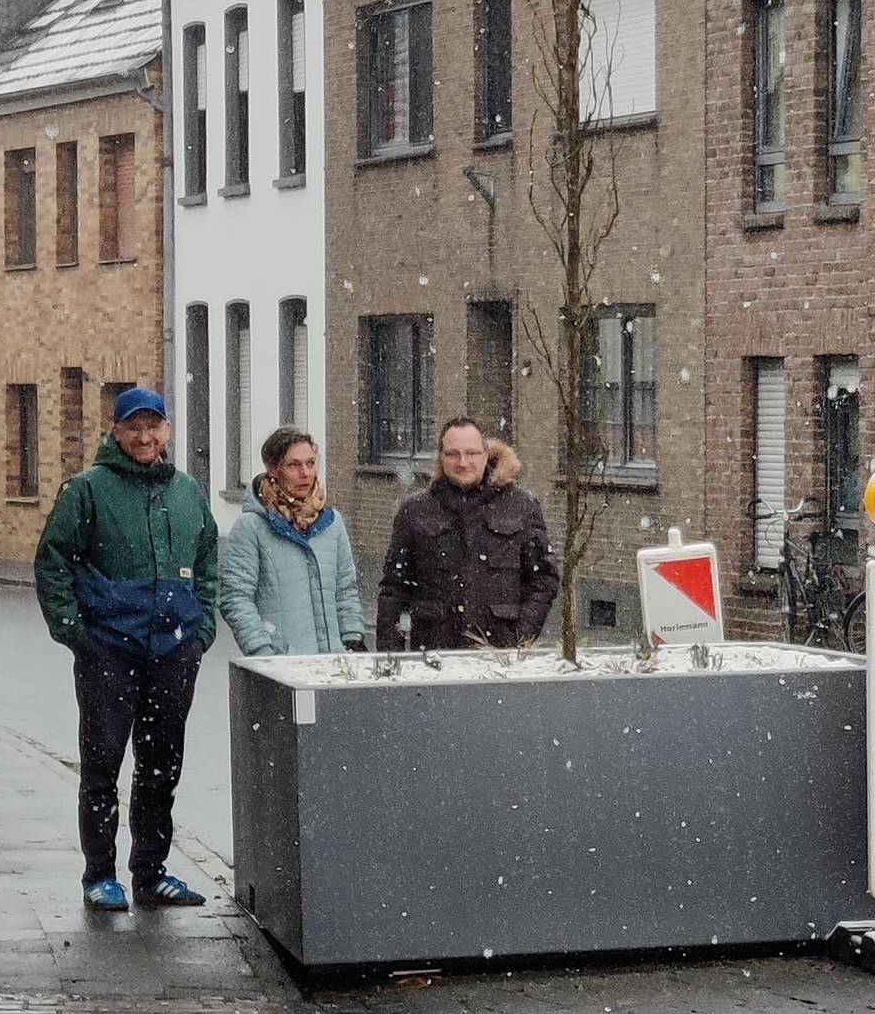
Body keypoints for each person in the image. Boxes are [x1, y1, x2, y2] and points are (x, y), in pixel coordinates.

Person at [33, 386, 219, 913]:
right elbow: (53, 561)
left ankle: (150, 872)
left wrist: (201, 629)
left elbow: (208, 560)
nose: (144, 437)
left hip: (173, 652)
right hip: (109, 652)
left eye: (152, 426)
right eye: (133, 427)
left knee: (161, 766)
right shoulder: (87, 491)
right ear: (116, 431)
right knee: (102, 766)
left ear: (167, 430)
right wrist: (77, 634)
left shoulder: (186, 492)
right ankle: (99, 874)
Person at [376, 417, 559, 651]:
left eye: (471, 453)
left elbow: (543, 580)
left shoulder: (522, 507)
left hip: (500, 655)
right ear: (441, 457)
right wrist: (391, 656)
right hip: (434, 653)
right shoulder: (415, 511)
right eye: (453, 454)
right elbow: (394, 589)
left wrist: (519, 637)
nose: (463, 462)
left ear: (486, 454)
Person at [221, 426, 366, 657]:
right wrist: (262, 650)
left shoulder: (332, 523)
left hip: (333, 663)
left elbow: (345, 590)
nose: (305, 473)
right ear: (273, 469)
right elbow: (236, 598)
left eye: (310, 463)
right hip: (281, 666)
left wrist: (352, 638)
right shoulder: (251, 527)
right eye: (293, 465)